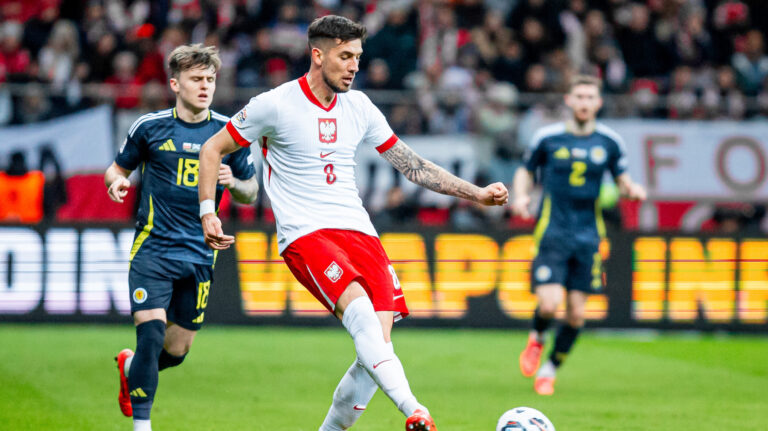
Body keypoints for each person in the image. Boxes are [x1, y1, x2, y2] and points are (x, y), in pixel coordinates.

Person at [197, 15, 508, 431]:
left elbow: (411, 166)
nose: (354, 65)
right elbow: (211, 149)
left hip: (361, 233)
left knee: (375, 348)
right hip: (306, 234)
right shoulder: (275, 104)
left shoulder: (359, 106)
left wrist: (477, 193)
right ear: (317, 54)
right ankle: (416, 411)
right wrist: (208, 210)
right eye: (345, 56)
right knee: (362, 318)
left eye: (358, 56)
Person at [104, 44, 258, 431]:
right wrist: (118, 183)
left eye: (210, 79)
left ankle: (131, 367)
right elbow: (115, 170)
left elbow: (252, 190)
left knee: (176, 349)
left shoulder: (229, 133)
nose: (205, 86)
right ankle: (143, 426)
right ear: (175, 83)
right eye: (196, 79)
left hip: (200, 252)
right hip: (153, 248)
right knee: (151, 335)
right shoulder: (149, 127)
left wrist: (234, 182)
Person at [511, 74, 646, 395]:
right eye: (579, 97)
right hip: (553, 230)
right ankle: (537, 338)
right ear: (569, 101)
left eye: (590, 97)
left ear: (598, 103)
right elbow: (525, 170)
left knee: (576, 313)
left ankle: (550, 369)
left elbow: (623, 179)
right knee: (548, 304)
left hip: (588, 235)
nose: (584, 103)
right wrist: (520, 196)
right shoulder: (548, 137)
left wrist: (632, 189)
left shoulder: (609, 142)